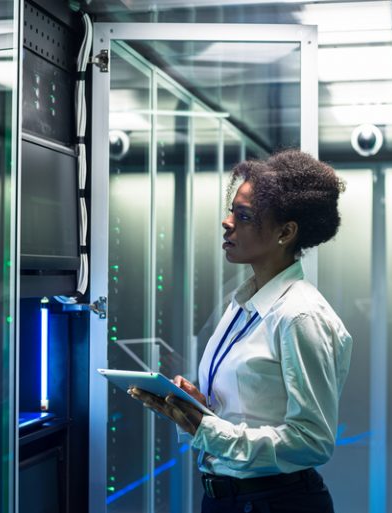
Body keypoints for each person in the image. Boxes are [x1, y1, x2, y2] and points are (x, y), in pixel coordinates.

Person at [129, 149, 352, 513]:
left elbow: (312, 441)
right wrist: (198, 409)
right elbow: (252, 409)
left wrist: (209, 430)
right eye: (232, 210)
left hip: (277, 503)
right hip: (228, 499)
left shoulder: (300, 315)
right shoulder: (244, 303)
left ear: (286, 232)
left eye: (244, 215)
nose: (227, 222)